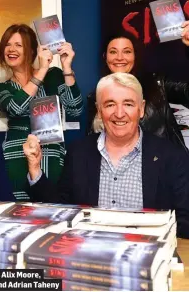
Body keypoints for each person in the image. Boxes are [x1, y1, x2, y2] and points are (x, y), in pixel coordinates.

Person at [25, 73, 189, 238]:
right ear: (99, 110)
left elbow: (183, 222)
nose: (119, 113)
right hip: (91, 254)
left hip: (148, 256)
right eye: (110, 104)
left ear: (141, 109)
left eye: (128, 104)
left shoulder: (172, 156)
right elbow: (61, 210)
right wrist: (35, 168)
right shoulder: (78, 153)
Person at [0, 24, 83, 201]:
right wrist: (41, 70)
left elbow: (75, 108)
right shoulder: (1, 88)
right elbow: (16, 108)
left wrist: (66, 67)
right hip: (16, 157)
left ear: (32, 50)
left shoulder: (54, 75)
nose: (11, 49)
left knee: (53, 208)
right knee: (20, 214)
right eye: (7, 45)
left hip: (51, 154)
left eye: (18, 45)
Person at [86, 22, 189, 151]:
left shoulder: (157, 85)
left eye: (127, 52)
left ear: (135, 56)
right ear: (105, 57)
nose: (119, 58)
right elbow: (92, 143)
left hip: (162, 167)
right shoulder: (94, 96)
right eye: (113, 52)